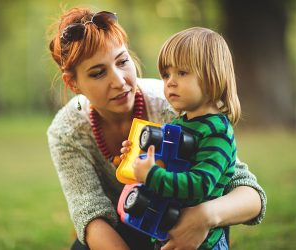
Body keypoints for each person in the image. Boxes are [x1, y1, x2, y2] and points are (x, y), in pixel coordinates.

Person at [47, 7, 267, 250]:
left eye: (122, 61)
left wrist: (204, 217)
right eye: (98, 73)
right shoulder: (66, 132)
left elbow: (249, 193)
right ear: (73, 83)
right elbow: (89, 213)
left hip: (186, 222)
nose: (119, 81)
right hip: (125, 230)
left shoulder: (175, 106)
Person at [123, 27, 240, 249]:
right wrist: (137, 159)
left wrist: (153, 175)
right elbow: (169, 167)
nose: (170, 82)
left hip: (202, 243)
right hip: (166, 231)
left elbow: (201, 184)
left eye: (182, 73)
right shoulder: (178, 124)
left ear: (212, 75)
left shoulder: (216, 132)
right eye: (166, 74)